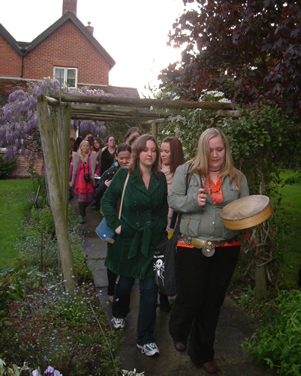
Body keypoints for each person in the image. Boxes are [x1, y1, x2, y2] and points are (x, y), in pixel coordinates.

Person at [168, 128, 249, 374]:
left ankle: (203, 352)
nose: (215, 155)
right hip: (192, 245)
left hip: (226, 249)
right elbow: (173, 200)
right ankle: (179, 329)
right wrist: (194, 202)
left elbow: (245, 209)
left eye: (220, 149)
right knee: (190, 297)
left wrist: (249, 220)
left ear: (226, 150)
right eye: (210, 150)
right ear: (203, 149)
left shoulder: (237, 177)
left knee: (212, 302)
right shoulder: (187, 172)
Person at [101, 134, 168, 357]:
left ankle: (145, 338)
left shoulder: (160, 179)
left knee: (150, 289)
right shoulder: (124, 175)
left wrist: (158, 228)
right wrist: (117, 226)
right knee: (125, 283)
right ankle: (119, 312)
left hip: (150, 242)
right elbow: (107, 201)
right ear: (137, 153)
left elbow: (162, 208)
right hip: (127, 239)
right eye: (145, 149)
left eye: (153, 150)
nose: (150, 153)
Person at [95, 143, 132, 301]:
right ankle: (111, 290)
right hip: (114, 222)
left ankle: (124, 288)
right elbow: (97, 197)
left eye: (127, 158)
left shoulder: (136, 173)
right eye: (121, 158)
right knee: (112, 258)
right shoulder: (110, 173)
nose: (124, 161)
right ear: (116, 157)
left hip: (129, 222)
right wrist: (105, 186)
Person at [159, 136, 185, 312]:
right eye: (161, 151)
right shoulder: (157, 171)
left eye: (166, 151)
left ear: (174, 152)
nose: (162, 154)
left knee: (174, 261)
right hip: (160, 225)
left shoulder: (182, 174)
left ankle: (172, 293)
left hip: (176, 226)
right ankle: (162, 296)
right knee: (161, 261)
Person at [69, 140, 99, 223]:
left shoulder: (92, 155)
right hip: (80, 179)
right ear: (81, 147)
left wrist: (96, 173)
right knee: (82, 198)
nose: (85, 147)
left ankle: (82, 209)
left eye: (87, 146)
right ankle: (82, 216)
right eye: (84, 146)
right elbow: (71, 169)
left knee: (90, 198)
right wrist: (70, 179)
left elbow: (97, 167)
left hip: (89, 179)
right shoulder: (76, 156)